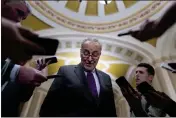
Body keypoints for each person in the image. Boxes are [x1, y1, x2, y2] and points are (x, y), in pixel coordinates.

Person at [39, 39, 117, 117]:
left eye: (95, 54)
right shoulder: (66, 71)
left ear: (99, 55)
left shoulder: (106, 78)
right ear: (80, 52)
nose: (90, 59)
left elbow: (111, 111)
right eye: (86, 53)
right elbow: (48, 107)